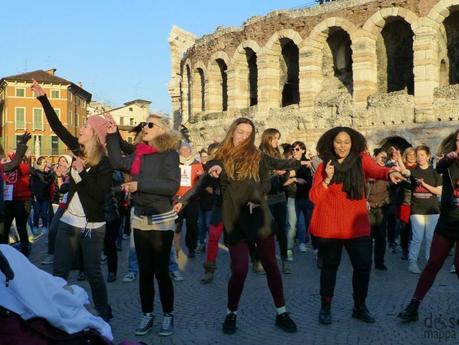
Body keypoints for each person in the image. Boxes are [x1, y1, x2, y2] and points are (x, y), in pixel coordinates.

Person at [208, 118, 303, 335]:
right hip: (235, 219)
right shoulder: (222, 156)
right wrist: (211, 168)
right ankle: (231, 312)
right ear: (233, 132)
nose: (244, 137)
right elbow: (210, 167)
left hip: (259, 215)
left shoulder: (258, 156)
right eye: (240, 132)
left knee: (270, 264)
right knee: (240, 269)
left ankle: (282, 312)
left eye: (248, 134)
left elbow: (272, 176)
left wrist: (297, 163)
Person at [32, 79, 113, 322]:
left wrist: (83, 171)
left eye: (86, 127)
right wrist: (43, 98)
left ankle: (104, 313)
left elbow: (98, 196)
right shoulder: (78, 151)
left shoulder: (104, 164)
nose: (81, 128)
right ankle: (57, 315)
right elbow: (57, 126)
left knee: (93, 273)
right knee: (59, 270)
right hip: (69, 222)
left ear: (96, 136)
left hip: (92, 228)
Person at [308, 127, 405, 325]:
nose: (342, 146)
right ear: (331, 143)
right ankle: (325, 307)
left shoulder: (361, 160)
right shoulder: (323, 165)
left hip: (356, 225)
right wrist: (327, 178)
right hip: (330, 227)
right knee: (329, 268)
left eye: (346, 142)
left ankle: (359, 307)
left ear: (353, 144)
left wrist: (390, 173)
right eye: (338, 142)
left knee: (363, 266)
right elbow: (314, 197)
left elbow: (377, 170)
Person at [105, 114, 180, 337]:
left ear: (162, 130)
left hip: (160, 217)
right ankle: (147, 314)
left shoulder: (169, 154)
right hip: (139, 216)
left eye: (149, 124)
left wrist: (140, 185)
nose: (144, 127)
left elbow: (172, 186)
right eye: (144, 124)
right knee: (145, 271)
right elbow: (117, 162)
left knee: (161, 271)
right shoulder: (140, 152)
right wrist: (112, 134)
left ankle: (168, 314)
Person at [398, 129, 459, 322]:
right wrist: (450, 157)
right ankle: (414, 305)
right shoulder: (448, 161)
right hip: (447, 219)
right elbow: (439, 167)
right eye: (458, 140)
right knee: (433, 263)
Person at [407, 145, 442, 274]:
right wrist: (399, 160)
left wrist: (424, 184)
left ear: (428, 156)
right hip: (416, 210)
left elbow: (438, 192)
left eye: (422, 155)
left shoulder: (435, 172)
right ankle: (412, 262)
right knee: (417, 237)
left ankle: (429, 261)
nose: (420, 158)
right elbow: (405, 173)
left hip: (432, 210)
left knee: (430, 238)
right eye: (418, 155)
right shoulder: (413, 172)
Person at [0, 132, 31, 255]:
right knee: (5, 229)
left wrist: (21, 145)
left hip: (20, 202)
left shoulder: (24, 167)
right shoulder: (4, 168)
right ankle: (5, 252)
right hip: (9, 202)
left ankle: (24, 252)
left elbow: (16, 163)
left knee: (21, 228)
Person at [366, 148, 390, 271]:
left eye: (386, 158)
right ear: (374, 156)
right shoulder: (367, 171)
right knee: (368, 237)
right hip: (368, 208)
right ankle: (367, 261)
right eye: (381, 156)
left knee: (381, 237)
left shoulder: (388, 171)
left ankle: (379, 262)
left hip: (382, 208)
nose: (384, 159)